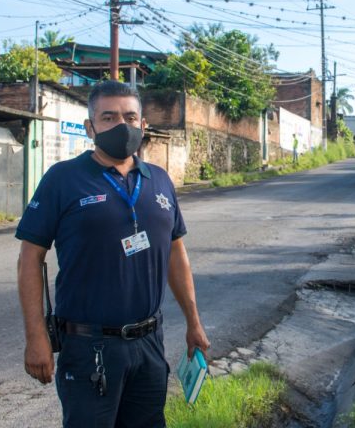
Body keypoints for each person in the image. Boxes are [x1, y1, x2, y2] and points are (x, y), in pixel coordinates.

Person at [17, 80, 210, 428]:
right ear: (91, 127)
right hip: (90, 349)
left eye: (130, 117)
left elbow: (175, 254)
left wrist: (193, 322)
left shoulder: (160, 180)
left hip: (150, 346)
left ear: (143, 126)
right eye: (108, 117)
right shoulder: (64, 179)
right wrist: (36, 337)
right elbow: (30, 258)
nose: (122, 126)